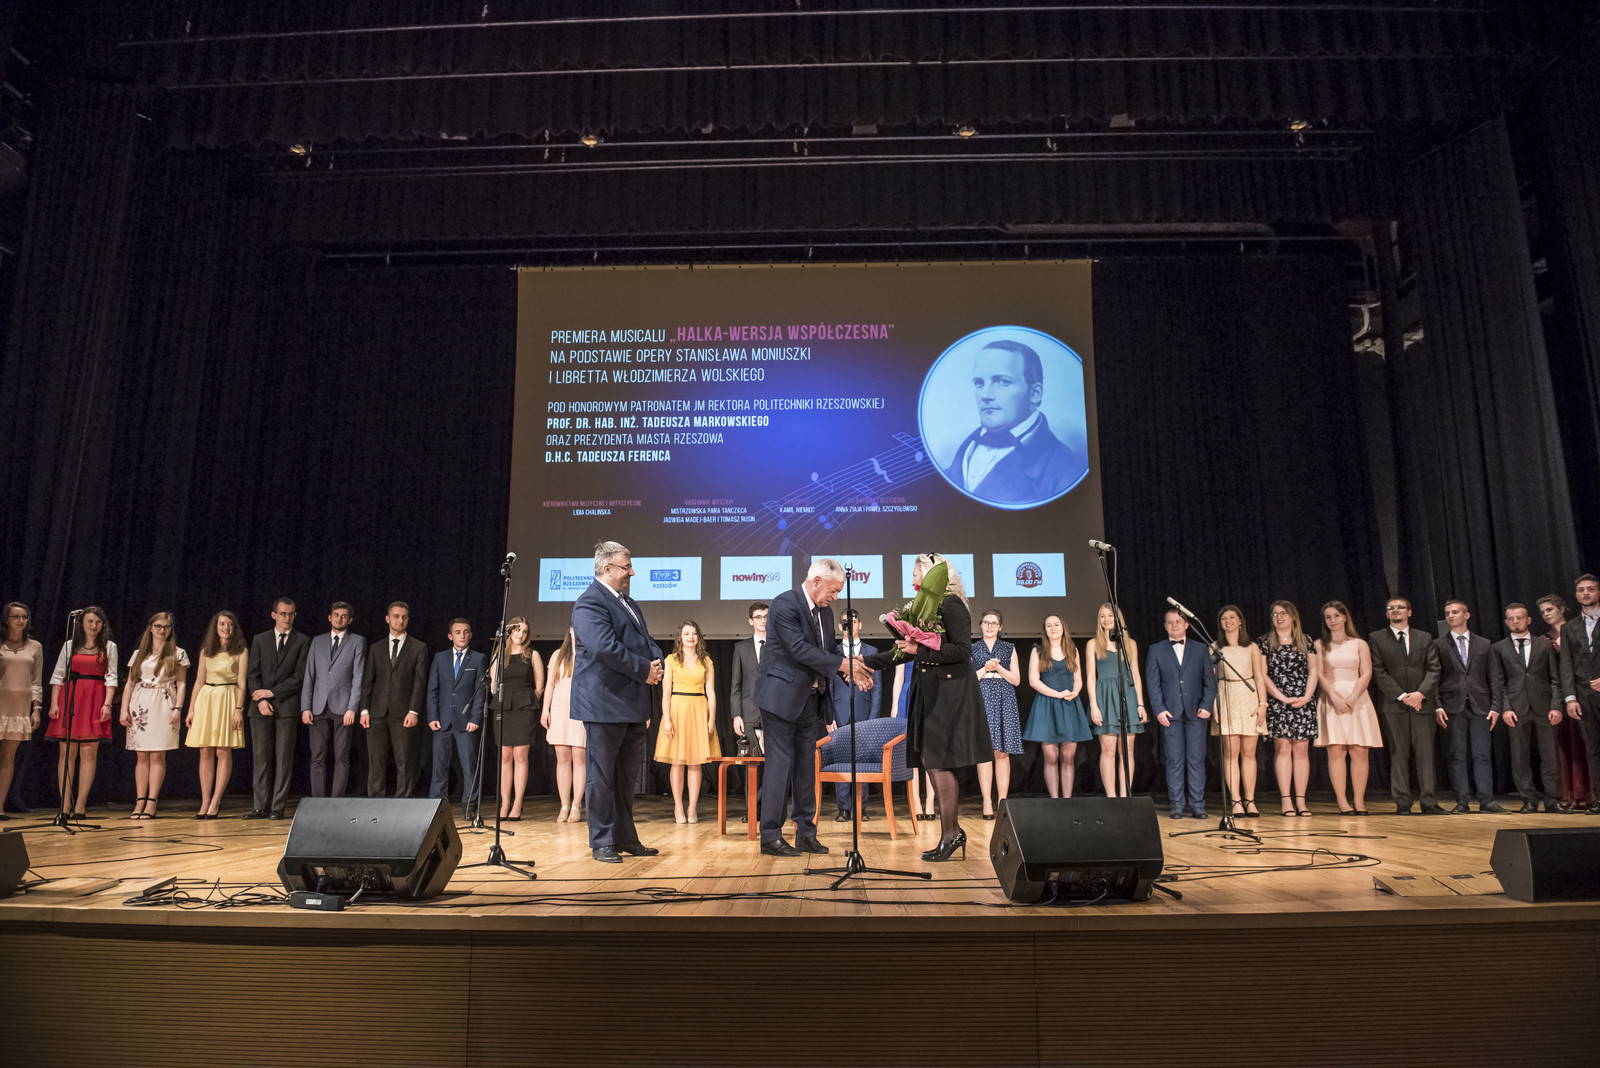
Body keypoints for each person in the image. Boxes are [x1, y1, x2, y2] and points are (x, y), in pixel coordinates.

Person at [862, 552, 989, 862]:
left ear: (932, 575)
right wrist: (863, 662)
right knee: (932, 761)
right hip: (930, 693)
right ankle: (952, 833)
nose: (912, 581)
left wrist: (920, 648)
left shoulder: (951, 604)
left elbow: (962, 651)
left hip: (949, 695)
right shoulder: (925, 607)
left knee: (939, 762)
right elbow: (904, 652)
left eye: (916, 574)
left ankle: (951, 834)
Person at [756, 558, 868, 857]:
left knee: (806, 768)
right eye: (833, 590)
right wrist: (843, 664)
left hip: (811, 699)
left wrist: (849, 671)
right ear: (817, 581)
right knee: (780, 766)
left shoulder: (826, 612)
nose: (835, 597)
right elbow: (798, 649)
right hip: (780, 699)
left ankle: (806, 833)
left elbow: (827, 653)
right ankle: (770, 836)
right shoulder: (785, 604)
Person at [570, 541, 664, 863]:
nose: (632, 572)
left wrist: (656, 662)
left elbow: (646, 641)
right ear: (607, 569)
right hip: (604, 704)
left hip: (631, 703)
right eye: (627, 567)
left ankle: (625, 837)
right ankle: (602, 841)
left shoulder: (628, 603)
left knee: (625, 779)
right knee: (601, 778)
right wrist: (644, 670)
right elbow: (605, 648)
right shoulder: (589, 603)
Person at [941, 339, 1087, 505]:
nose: (985, 395)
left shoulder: (1065, 471)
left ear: (1035, 393)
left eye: (1003, 382)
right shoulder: (966, 450)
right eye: (979, 383)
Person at [1369, 596, 1445, 815]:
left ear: (1409, 612)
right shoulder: (1377, 638)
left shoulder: (1424, 637)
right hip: (1394, 705)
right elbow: (1379, 671)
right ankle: (1403, 802)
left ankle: (1429, 802)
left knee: (1425, 754)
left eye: (1400, 607)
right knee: (1399, 754)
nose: (1396, 610)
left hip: (1422, 704)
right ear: (1386, 613)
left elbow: (1434, 669)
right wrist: (1403, 696)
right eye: (1391, 608)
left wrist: (1420, 694)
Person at [1434, 599, 1506, 814]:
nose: (1450, 616)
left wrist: (1496, 706)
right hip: (1452, 706)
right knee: (1457, 754)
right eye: (1447, 613)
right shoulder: (1439, 644)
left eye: (1455, 612)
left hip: (1480, 705)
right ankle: (1462, 800)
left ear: (1467, 615)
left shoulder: (1484, 644)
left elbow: (1494, 677)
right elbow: (1434, 678)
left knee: (1482, 754)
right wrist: (1437, 706)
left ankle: (1486, 800)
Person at [1146, 607, 1218, 820]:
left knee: (1196, 760)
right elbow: (1153, 683)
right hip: (1170, 713)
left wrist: (1207, 705)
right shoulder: (1156, 650)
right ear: (1165, 626)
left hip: (1196, 711)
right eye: (1169, 622)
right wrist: (1159, 709)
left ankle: (1197, 804)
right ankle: (1176, 805)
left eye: (1178, 621)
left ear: (1186, 624)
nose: (1174, 625)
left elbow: (1209, 681)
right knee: (1174, 760)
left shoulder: (1201, 649)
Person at [47, 606, 119, 819]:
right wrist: (54, 704)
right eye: (90, 621)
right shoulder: (70, 645)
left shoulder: (109, 647)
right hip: (70, 697)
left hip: (94, 698)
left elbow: (111, 677)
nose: (94, 625)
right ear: (82, 623)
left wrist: (107, 704)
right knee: (66, 753)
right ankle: (64, 804)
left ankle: (80, 804)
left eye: (98, 622)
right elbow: (58, 675)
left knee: (89, 752)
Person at [1494, 602, 1564, 813]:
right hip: (1516, 709)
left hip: (1545, 707)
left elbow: (1555, 678)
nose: (1516, 622)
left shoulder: (1544, 644)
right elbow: (1499, 682)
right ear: (1506, 622)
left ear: (1529, 620)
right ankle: (1529, 800)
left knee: (1550, 757)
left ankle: (1552, 800)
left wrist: (1556, 706)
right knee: (1520, 758)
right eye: (1511, 619)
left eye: (1520, 618)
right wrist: (1506, 708)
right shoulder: (1499, 648)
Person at [119, 612, 189, 819]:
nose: (162, 630)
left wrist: (178, 708)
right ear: (151, 628)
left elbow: (181, 684)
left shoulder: (177, 653)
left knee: (157, 755)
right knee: (141, 756)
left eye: (166, 627)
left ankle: (152, 801)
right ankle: (140, 800)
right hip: (140, 703)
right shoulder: (139, 653)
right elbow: (130, 683)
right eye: (158, 626)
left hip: (163, 702)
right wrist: (124, 709)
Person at [1314, 601, 1382, 816]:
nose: (1332, 620)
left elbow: (1366, 673)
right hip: (1331, 698)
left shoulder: (1359, 644)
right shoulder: (1319, 644)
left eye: (1336, 615)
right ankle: (1342, 801)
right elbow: (1319, 674)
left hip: (1357, 697)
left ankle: (1359, 800)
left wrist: (1352, 697)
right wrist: (1334, 697)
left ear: (1345, 617)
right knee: (1336, 750)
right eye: (1328, 617)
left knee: (1359, 750)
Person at [244, 599, 309, 820]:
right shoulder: (260, 639)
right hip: (260, 707)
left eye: (291, 614)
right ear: (274, 615)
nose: (287, 618)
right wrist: (261, 699)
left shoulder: (302, 641)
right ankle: (259, 806)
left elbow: (299, 676)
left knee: (283, 758)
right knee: (261, 758)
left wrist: (271, 693)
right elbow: (252, 674)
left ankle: (277, 807)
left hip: (286, 706)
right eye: (283, 613)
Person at [360, 601, 429, 799]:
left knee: (404, 760)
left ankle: (403, 802)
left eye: (404, 617)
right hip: (377, 712)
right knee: (376, 759)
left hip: (403, 712)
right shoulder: (376, 647)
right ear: (387, 619)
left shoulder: (418, 647)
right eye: (396, 616)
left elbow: (420, 682)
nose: (400, 621)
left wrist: (413, 711)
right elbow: (368, 681)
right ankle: (375, 800)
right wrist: (364, 710)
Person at [299, 601, 367, 798]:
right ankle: (318, 801)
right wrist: (305, 707)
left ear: (350, 620)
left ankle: (336, 802)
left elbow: (358, 677)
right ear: (330, 617)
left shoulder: (357, 641)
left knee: (341, 757)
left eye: (344, 616)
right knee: (317, 757)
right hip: (318, 706)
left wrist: (352, 708)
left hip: (343, 707)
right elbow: (309, 676)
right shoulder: (317, 641)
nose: (339, 619)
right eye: (336, 615)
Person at [656, 618, 721, 824]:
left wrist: (711, 718)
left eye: (693, 633)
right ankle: (678, 807)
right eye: (686, 634)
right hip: (677, 710)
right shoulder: (671, 660)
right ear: (680, 637)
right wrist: (667, 720)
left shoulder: (706, 661)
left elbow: (711, 692)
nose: (690, 637)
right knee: (677, 762)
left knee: (695, 763)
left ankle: (692, 807)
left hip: (699, 710)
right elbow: (666, 694)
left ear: (698, 637)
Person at [185, 610, 248, 820]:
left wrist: (238, 709)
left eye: (229, 624)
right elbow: (198, 681)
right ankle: (204, 800)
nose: (226, 628)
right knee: (205, 750)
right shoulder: (207, 651)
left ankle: (216, 801)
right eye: (222, 624)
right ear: (216, 627)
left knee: (223, 751)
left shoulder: (240, 651)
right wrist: (191, 709)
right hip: (207, 699)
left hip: (228, 698)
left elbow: (242, 683)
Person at [1260, 601, 1320, 817]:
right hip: (1278, 700)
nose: (1278, 617)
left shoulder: (1306, 641)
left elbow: (1313, 671)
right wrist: (1282, 697)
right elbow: (1262, 674)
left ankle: (1301, 801)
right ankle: (1286, 800)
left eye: (1283, 613)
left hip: (1303, 699)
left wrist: (1307, 696)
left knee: (1301, 750)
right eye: (1275, 614)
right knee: (1283, 748)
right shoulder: (1265, 642)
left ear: (1293, 616)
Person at [1023, 614, 1091, 798]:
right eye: (1048, 625)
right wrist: (1056, 694)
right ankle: (1055, 800)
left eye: (1056, 625)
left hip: (1069, 704)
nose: (1053, 628)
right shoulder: (1038, 651)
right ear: (1044, 630)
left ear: (1063, 628)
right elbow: (1033, 681)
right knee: (1051, 757)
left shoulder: (1072, 650)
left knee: (1068, 757)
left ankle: (1066, 800)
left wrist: (1075, 691)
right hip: (1047, 705)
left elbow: (1078, 679)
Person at [1084, 602, 1148, 797]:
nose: (1106, 620)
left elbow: (1135, 674)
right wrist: (1094, 705)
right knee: (1108, 750)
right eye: (1102, 616)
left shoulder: (1130, 644)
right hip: (1104, 697)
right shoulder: (1093, 644)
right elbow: (1090, 677)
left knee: (1127, 751)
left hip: (1127, 696)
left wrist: (1140, 704)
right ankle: (1111, 797)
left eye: (1110, 615)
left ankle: (1125, 796)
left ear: (1118, 618)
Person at [428, 618, 488, 820]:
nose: (462, 635)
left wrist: (475, 718)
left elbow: (480, 692)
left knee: (469, 768)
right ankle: (436, 808)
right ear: (450, 636)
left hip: (466, 722)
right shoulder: (440, 658)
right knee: (439, 767)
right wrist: (432, 716)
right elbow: (433, 689)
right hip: (443, 721)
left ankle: (470, 807)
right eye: (458, 632)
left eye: (466, 632)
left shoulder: (478, 659)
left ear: (470, 635)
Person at [1211, 605, 1267, 817]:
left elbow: (1259, 676)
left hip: (1248, 697)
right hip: (1226, 696)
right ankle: (1235, 800)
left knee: (1249, 753)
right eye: (1224, 618)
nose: (1228, 621)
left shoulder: (1251, 647)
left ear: (1240, 621)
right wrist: (1214, 705)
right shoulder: (1215, 647)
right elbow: (1211, 679)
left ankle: (1250, 799)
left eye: (1232, 617)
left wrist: (1263, 704)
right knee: (1231, 752)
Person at [828, 609, 882, 821]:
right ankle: (844, 808)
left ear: (860, 625)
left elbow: (877, 689)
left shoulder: (872, 651)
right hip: (839, 711)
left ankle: (861, 807)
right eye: (845, 622)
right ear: (839, 627)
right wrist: (829, 716)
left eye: (854, 621)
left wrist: (873, 719)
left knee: (862, 761)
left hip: (864, 711)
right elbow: (828, 687)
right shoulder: (832, 652)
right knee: (841, 759)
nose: (849, 625)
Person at [488, 616, 543, 821]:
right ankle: (505, 803)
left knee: (520, 755)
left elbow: (539, 687)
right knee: (504, 756)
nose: (521, 634)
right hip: (504, 706)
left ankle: (518, 803)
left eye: (525, 631)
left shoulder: (532, 654)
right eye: (518, 630)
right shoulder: (499, 654)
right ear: (510, 632)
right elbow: (493, 684)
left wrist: (525, 701)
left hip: (524, 707)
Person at [1540, 592, 1591, 810]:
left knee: (1587, 744)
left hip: (1581, 693)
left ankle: (1589, 793)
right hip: (1558, 698)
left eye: (1550, 609)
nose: (1546, 614)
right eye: (1542, 612)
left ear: (1561, 609)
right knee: (1564, 746)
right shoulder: (1544, 640)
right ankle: (1570, 794)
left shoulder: (1578, 631)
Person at [972, 609, 1021, 819]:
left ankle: (1002, 801)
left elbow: (1016, 680)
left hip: (1004, 698)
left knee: (1002, 752)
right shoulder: (972, 648)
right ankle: (986, 802)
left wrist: (998, 668)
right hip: (982, 698)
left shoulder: (1009, 648)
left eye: (994, 623)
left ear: (1000, 627)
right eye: (986, 622)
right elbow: (968, 680)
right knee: (985, 752)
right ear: (981, 625)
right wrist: (985, 668)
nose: (990, 626)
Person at [1559, 574, 1600, 817]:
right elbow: (1566, 664)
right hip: (1583, 696)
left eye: (1590, 589)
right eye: (1581, 590)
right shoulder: (1569, 628)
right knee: (1593, 749)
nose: (1585, 593)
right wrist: (1570, 698)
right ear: (1576, 595)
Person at [0, 602, 44, 821]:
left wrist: (36, 708)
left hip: (19, 707)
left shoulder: (34, 646)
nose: (21, 621)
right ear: (6, 619)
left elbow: (36, 680)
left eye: (24, 617)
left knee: (8, 757)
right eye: (16, 617)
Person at [541, 628, 585, 822]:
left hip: (581, 710)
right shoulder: (557, 655)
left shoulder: (589, 653)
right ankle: (564, 805)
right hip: (560, 710)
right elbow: (550, 684)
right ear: (570, 631)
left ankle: (576, 805)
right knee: (562, 758)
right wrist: (545, 709)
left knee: (579, 757)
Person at [888, 659, 937, 820]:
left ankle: (930, 802)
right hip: (908, 696)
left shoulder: (932, 646)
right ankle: (915, 802)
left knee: (930, 754)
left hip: (930, 696)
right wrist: (895, 705)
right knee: (912, 752)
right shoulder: (902, 648)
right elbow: (899, 677)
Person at [729, 602, 768, 754]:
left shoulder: (779, 646)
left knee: (776, 762)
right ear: (751, 621)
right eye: (758, 617)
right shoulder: (741, 648)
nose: (763, 621)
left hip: (774, 712)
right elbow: (736, 684)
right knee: (751, 761)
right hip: (749, 712)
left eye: (766, 617)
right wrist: (736, 715)